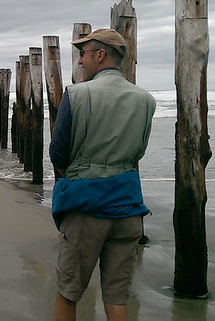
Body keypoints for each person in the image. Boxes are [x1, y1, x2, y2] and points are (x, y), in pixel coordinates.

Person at [49, 28, 156, 321]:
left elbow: (58, 152)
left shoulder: (77, 94)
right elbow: (138, 152)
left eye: (83, 54)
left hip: (86, 208)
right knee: (117, 296)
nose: (80, 62)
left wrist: (75, 175)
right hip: (127, 208)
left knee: (68, 291)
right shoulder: (145, 99)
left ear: (99, 55)